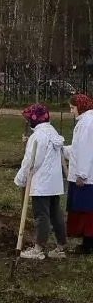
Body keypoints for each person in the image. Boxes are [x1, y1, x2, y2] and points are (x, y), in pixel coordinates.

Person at [14, 103, 67, 259]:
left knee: (41, 215)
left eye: (29, 118)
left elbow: (31, 162)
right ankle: (61, 246)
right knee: (55, 213)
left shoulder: (38, 136)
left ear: (35, 119)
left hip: (42, 183)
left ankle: (38, 249)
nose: (28, 121)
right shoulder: (52, 132)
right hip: (55, 183)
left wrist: (20, 179)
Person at [65, 93, 93, 254]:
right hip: (86, 173)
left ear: (81, 107)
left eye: (72, 108)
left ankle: (88, 243)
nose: (71, 111)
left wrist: (81, 174)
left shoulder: (86, 124)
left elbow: (84, 150)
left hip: (86, 176)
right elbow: (77, 149)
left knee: (86, 210)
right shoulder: (86, 122)